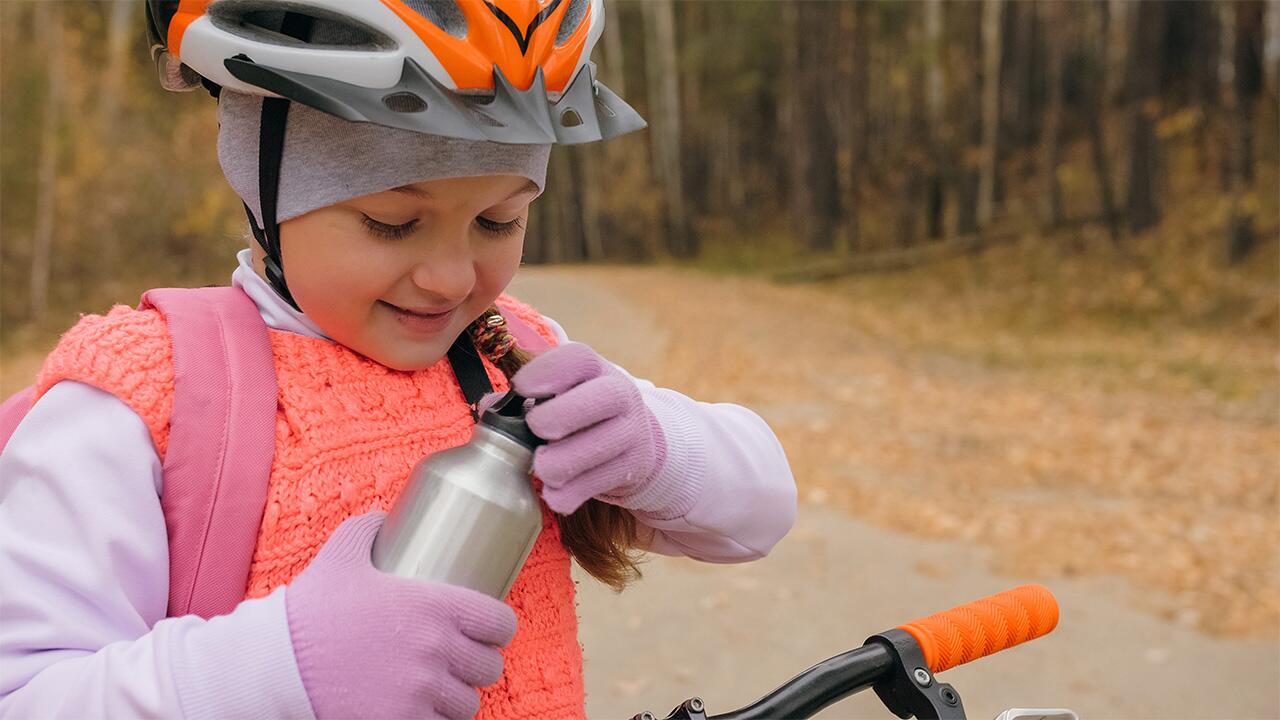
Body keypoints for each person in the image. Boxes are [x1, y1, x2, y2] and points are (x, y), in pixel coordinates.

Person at [0, 2, 797, 718]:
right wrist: (283, 669)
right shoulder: (147, 396)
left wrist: (652, 448)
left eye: (497, 221)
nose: (452, 278)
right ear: (263, 187)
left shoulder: (507, 353)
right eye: (390, 222)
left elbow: (757, 514)